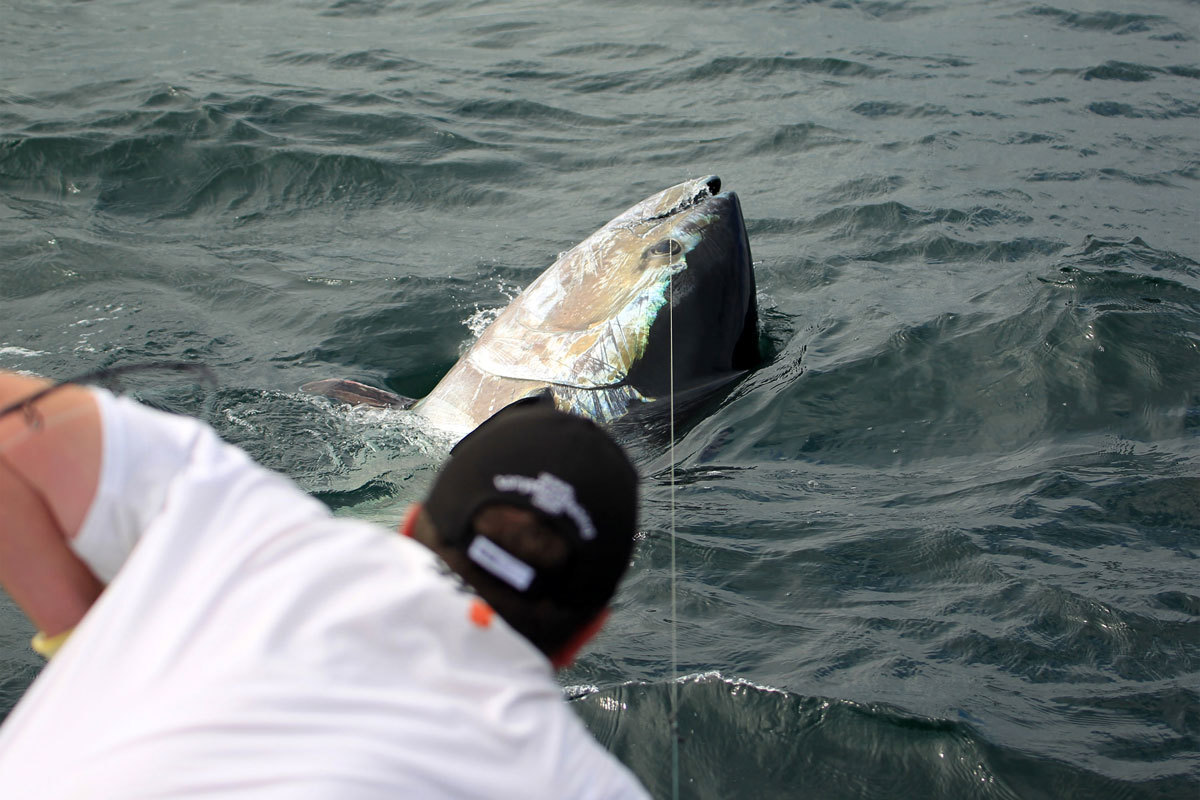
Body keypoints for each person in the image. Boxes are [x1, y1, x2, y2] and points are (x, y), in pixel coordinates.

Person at [0, 369, 651, 798]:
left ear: (409, 524)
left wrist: (86, 640)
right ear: (588, 634)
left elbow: (12, 426)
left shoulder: (243, 534)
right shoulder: (583, 786)